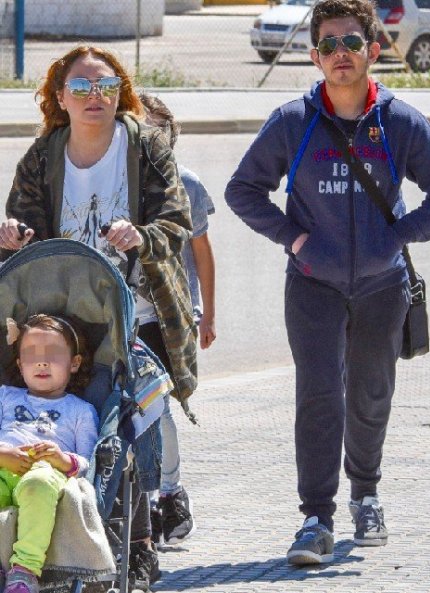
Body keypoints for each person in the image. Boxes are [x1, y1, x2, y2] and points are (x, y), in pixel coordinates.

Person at [225, 0, 430, 566]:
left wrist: (399, 237)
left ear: (372, 49)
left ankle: (366, 493)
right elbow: (242, 190)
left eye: (351, 42)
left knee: (370, 395)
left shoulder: (402, 123)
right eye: (329, 45)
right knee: (318, 398)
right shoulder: (294, 122)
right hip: (312, 285)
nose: (341, 53)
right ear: (315, 56)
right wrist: (296, 241)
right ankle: (316, 518)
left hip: (381, 288)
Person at [0, 45, 197, 590]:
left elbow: (177, 221)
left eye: (106, 87)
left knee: (135, 421)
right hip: (62, 313)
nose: (95, 98)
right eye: (81, 88)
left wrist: (143, 236)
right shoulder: (43, 156)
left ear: (121, 92)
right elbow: (24, 229)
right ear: (59, 97)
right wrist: (12, 235)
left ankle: (143, 535)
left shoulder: (146, 146)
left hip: (140, 305)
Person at [140, 92, 216, 546]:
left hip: (168, 317)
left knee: (159, 406)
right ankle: (133, 497)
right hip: (119, 313)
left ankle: (169, 492)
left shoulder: (187, 184)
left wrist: (206, 314)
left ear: (170, 133)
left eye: (156, 129)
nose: (148, 138)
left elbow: (202, 255)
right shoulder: (117, 178)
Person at [0, 314, 98, 593]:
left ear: (74, 363)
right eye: (31, 355)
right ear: (20, 364)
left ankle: (25, 571)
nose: (41, 362)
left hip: (46, 473)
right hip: (3, 464)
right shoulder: (5, 397)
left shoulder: (80, 410)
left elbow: (88, 463)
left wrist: (61, 459)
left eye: (53, 354)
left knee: (38, 483)